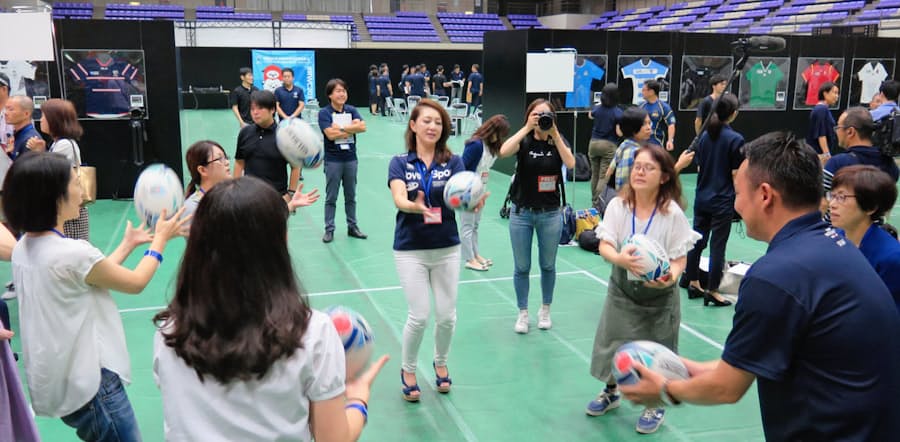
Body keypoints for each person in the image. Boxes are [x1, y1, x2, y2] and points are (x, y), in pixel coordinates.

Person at [619, 132, 900, 441]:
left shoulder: (777, 275)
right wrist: (682, 367)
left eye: (737, 191)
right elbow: (745, 364)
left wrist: (663, 390)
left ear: (765, 195)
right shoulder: (833, 245)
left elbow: (727, 388)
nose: (736, 204)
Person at [153, 176, 387, 441]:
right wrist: (357, 401)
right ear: (281, 242)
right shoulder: (313, 332)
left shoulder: (168, 332)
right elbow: (333, 438)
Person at [4, 151, 189, 441]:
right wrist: (160, 241)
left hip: (63, 381)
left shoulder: (24, 247)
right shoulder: (71, 253)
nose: (83, 190)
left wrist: (127, 245)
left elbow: (90, 274)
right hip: (94, 386)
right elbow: (136, 282)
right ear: (54, 197)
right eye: (75, 182)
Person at [586, 145, 699, 435]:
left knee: (658, 350)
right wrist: (620, 259)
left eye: (648, 168)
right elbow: (605, 244)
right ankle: (611, 391)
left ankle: (655, 402)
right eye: (637, 166)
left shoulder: (672, 213)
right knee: (612, 341)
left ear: (663, 177)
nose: (639, 171)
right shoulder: (617, 206)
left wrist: (670, 277)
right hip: (622, 289)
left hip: (659, 295)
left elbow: (679, 257)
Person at [388, 99, 486, 402]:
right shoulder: (400, 162)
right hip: (411, 249)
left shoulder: (453, 162)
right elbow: (399, 199)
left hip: (446, 247)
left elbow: (462, 198)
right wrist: (414, 207)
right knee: (419, 316)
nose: (433, 126)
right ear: (413, 125)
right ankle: (408, 369)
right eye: (427, 121)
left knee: (447, 317)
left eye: (438, 122)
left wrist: (474, 200)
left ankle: (440, 361)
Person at [499, 99, 576, 334]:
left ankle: (545, 309)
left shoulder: (557, 141)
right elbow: (503, 151)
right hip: (521, 213)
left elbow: (571, 163)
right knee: (522, 266)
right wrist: (526, 128)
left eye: (546, 115)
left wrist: (554, 132)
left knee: (548, 265)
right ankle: (523, 313)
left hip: (550, 214)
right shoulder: (524, 140)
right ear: (529, 116)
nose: (541, 118)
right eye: (536, 114)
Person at [684, 93, 744, 307]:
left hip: (702, 196)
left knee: (697, 241)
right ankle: (712, 289)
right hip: (722, 200)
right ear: (734, 114)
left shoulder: (704, 136)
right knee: (718, 246)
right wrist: (740, 199)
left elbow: (700, 166)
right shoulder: (735, 140)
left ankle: (693, 282)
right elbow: (736, 175)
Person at [829, 165, 900, 311]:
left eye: (842, 197)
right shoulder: (834, 238)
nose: (832, 204)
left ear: (870, 207)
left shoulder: (891, 258)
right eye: (832, 196)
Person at [22, 99, 90, 240]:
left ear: (54, 120)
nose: (40, 120)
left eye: (43, 116)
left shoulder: (64, 144)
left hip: (68, 212)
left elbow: (50, 175)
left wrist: (39, 153)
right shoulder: (59, 143)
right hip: (67, 208)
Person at [824, 107, 899, 215]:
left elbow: (821, 201)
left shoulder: (837, 163)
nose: (836, 131)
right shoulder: (891, 166)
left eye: (838, 127)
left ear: (850, 132)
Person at [318, 79, 368, 243]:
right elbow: (330, 135)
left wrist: (340, 128)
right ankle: (329, 229)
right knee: (331, 197)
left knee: (351, 195)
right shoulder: (324, 113)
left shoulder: (352, 110)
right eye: (338, 91)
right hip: (333, 161)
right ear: (330, 95)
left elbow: (362, 127)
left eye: (344, 91)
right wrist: (350, 128)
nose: (342, 94)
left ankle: (352, 227)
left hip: (350, 159)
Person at [234, 90, 302, 208]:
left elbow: (296, 167)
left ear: (272, 110)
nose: (255, 112)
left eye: (260, 108)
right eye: (252, 109)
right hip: (248, 198)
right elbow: (239, 162)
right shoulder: (245, 133)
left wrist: (290, 194)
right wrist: (235, 190)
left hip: (275, 198)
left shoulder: (285, 135)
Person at [461, 114, 510, 271]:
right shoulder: (475, 145)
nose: (499, 138)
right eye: (499, 134)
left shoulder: (491, 146)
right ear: (491, 131)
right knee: (467, 226)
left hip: (482, 189)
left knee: (475, 225)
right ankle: (469, 259)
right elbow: (462, 168)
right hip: (468, 190)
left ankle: (476, 255)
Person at [587, 83, 623, 204]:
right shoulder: (617, 112)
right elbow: (619, 133)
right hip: (608, 144)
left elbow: (590, 115)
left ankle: (594, 200)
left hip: (593, 143)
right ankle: (598, 202)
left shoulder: (597, 108)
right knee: (604, 175)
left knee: (594, 175)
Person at [608, 107, 651, 191]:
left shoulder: (624, 145)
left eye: (649, 123)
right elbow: (623, 184)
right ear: (633, 127)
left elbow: (609, 171)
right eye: (644, 124)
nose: (649, 127)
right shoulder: (633, 152)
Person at [805, 81, 839, 163]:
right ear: (825, 94)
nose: (837, 96)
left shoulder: (822, 109)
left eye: (838, 93)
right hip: (819, 154)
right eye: (834, 93)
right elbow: (821, 134)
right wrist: (827, 154)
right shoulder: (821, 110)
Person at [639, 80, 675, 151]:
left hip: (656, 144)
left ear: (651, 92)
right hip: (641, 144)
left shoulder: (663, 107)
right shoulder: (641, 106)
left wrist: (670, 141)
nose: (642, 92)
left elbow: (671, 125)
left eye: (644, 90)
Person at [4, 95, 41, 160]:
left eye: (11, 109)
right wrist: (9, 154)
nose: (5, 113)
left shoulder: (31, 141)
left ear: (26, 114)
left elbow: (25, 169)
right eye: (5, 109)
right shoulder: (17, 135)